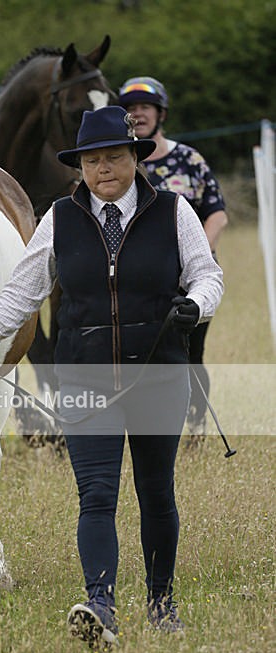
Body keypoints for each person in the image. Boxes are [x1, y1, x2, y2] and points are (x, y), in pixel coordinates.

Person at [0, 106, 223, 649]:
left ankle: (161, 601)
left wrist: (194, 306)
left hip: (158, 373)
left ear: (134, 159)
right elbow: (21, 294)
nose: (104, 168)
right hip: (85, 376)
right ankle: (100, 604)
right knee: (96, 495)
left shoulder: (175, 212)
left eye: (114, 157)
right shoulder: (58, 218)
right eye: (92, 160)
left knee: (156, 493)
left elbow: (207, 275)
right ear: (79, 166)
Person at [118, 77, 228, 440]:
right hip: (137, 279)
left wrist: (197, 252)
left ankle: (195, 426)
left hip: (188, 276)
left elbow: (216, 212)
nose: (138, 114)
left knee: (191, 354)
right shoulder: (117, 164)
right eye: (130, 108)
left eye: (144, 107)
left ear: (160, 113)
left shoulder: (189, 159)